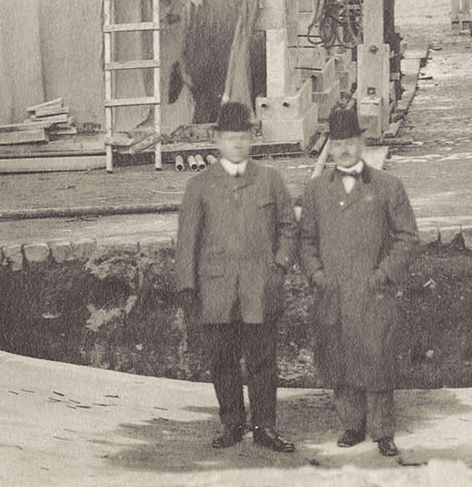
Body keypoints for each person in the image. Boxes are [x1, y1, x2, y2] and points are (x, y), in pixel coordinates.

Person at [174, 100, 299, 452]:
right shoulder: (200, 186)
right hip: (216, 290)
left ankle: (265, 428)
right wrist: (187, 285)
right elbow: (187, 241)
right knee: (223, 361)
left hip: (260, 288)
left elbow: (289, 227)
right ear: (217, 140)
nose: (238, 145)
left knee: (262, 362)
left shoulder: (271, 180)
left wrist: (279, 267)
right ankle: (232, 424)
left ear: (252, 139)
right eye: (231, 138)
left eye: (244, 137)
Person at [296, 106, 421, 458]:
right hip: (333, 291)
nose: (345, 150)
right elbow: (305, 240)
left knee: (377, 356)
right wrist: (317, 275)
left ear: (362, 143)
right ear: (330, 149)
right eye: (338, 144)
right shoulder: (316, 190)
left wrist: (383, 275)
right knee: (339, 354)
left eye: (351, 142)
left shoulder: (387, 187)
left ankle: (382, 430)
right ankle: (351, 425)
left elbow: (408, 238)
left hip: (373, 291)